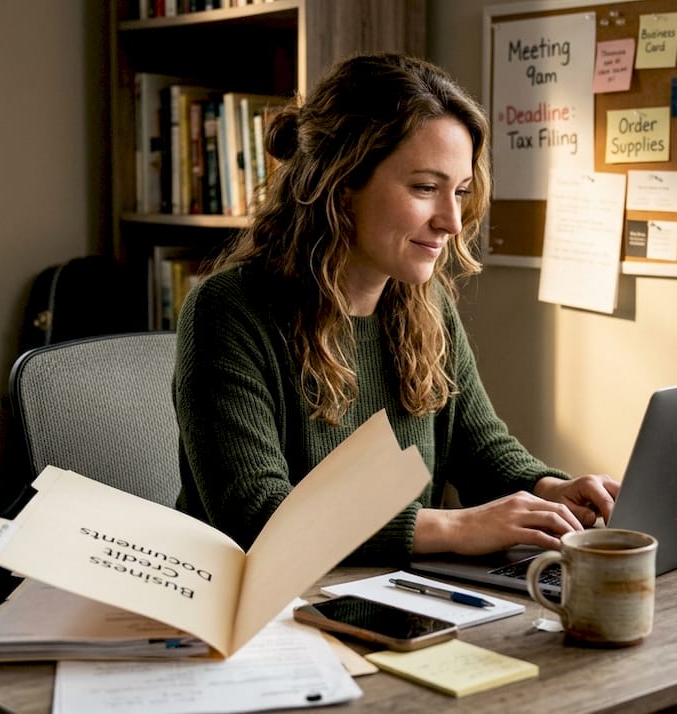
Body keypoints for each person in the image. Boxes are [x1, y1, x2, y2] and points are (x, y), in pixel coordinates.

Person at [174, 52, 619, 565]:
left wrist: (550, 490)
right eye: (426, 188)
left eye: (461, 191)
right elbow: (259, 515)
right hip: (264, 616)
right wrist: (455, 526)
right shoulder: (228, 312)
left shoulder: (424, 308)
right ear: (341, 185)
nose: (452, 221)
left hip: (392, 595)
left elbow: (481, 448)